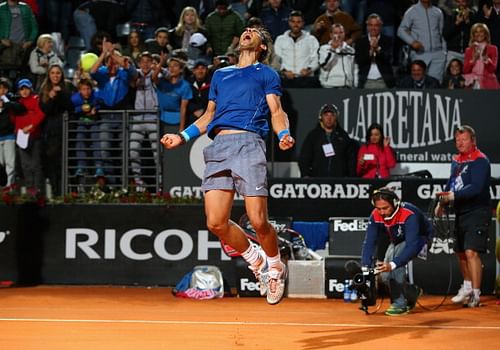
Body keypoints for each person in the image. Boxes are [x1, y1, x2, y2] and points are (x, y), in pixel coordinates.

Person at [160, 27, 295, 305]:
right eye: (246, 29)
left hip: (248, 144)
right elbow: (209, 116)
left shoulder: (266, 74)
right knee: (216, 222)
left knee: (258, 220)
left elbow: (276, 111)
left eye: (255, 31)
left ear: (262, 48)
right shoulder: (220, 74)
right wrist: (181, 137)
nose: (247, 31)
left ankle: (275, 267)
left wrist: (283, 134)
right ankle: (254, 259)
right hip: (218, 147)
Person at [434, 125, 491, 308]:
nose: (460, 143)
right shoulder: (456, 161)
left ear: (473, 141)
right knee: (460, 253)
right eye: (457, 140)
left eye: (464, 139)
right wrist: (442, 202)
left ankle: (475, 293)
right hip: (460, 211)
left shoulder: (481, 161)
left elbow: (476, 187)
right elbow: (452, 183)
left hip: (477, 210)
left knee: (471, 252)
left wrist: (454, 196)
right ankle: (466, 288)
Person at [362, 187, 432, 316]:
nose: (382, 212)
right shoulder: (375, 215)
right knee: (384, 274)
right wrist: (365, 266)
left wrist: (393, 264)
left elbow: (412, 245)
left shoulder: (409, 213)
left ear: (395, 203)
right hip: (398, 240)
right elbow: (369, 242)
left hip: (420, 239)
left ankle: (400, 304)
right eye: (379, 208)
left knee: (395, 261)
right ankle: (411, 292)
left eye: (385, 208)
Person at [38, 64, 74, 197]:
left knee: (65, 162)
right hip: (50, 131)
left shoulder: (68, 86)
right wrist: (52, 97)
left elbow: (71, 106)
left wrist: (60, 94)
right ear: (49, 75)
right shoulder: (44, 90)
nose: (55, 75)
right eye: (52, 73)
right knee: (52, 162)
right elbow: (44, 111)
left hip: (65, 129)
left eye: (58, 73)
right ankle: (55, 192)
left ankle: (67, 193)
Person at [299, 103, 357, 177]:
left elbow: (351, 160)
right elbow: (304, 158)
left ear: (336, 118)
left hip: (339, 181)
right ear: (321, 117)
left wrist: (350, 178)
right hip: (317, 180)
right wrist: (306, 175)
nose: (329, 118)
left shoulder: (343, 136)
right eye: (326, 115)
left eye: (332, 115)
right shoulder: (313, 136)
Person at [397, 0, 447, 82]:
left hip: (438, 55)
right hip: (420, 54)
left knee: (436, 85)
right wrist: (412, 42)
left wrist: (444, 52)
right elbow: (401, 30)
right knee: (419, 84)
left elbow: (441, 33)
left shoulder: (438, 12)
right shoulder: (412, 11)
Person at [13, 78, 45, 192]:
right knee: (25, 165)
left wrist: (31, 126)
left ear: (30, 89)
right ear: (18, 91)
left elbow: (41, 114)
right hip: (22, 138)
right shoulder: (17, 104)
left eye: (26, 88)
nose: (24, 91)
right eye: (22, 89)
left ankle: (37, 191)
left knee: (35, 164)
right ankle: (30, 191)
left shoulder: (36, 100)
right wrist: (18, 132)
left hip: (34, 136)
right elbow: (14, 119)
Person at [273, 10, 320, 88]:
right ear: (289, 22)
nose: (296, 24)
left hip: (306, 79)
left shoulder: (311, 39)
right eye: (293, 21)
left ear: (303, 23)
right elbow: (277, 59)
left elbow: (316, 58)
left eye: (299, 22)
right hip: (286, 79)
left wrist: (309, 70)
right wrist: (284, 71)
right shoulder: (280, 39)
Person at [354, 13, 396, 89]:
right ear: (367, 26)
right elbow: (360, 61)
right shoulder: (360, 42)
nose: (373, 28)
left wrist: (377, 48)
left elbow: (389, 59)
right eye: (370, 25)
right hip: (366, 81)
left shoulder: (388, 40)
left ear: (381, 26)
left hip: (383, 81)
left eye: (376, 25)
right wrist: (370, 51)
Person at [0, 77, 24, 187]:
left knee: (10, 165)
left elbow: (21, 108)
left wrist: (6, 103)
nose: (2, 90)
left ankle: (9, 189)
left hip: (9, 136)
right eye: (0, 87)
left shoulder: (11, 99)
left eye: (4, 88)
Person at [318, 24, 357, 89]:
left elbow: (354, 69)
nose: (338, 35)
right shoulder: (324, 49)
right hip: (330, 87)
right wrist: (334, 49)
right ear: (331, 35)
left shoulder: (351, 50)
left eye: (341, 32)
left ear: (344, 34)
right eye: (335, 33)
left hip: (347, 88)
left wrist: (355, 85)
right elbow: (325, 65)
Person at [463, 22, 500, 89]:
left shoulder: (493, 49)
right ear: (473, 35)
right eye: (476, 32)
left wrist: (486, 60)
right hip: (472, 83)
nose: (478, 34)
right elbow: (465, 70)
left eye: (481, 31)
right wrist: (474, 59)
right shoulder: (469, 50)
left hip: (488, 83)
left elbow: (492, 70)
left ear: (486, 34)